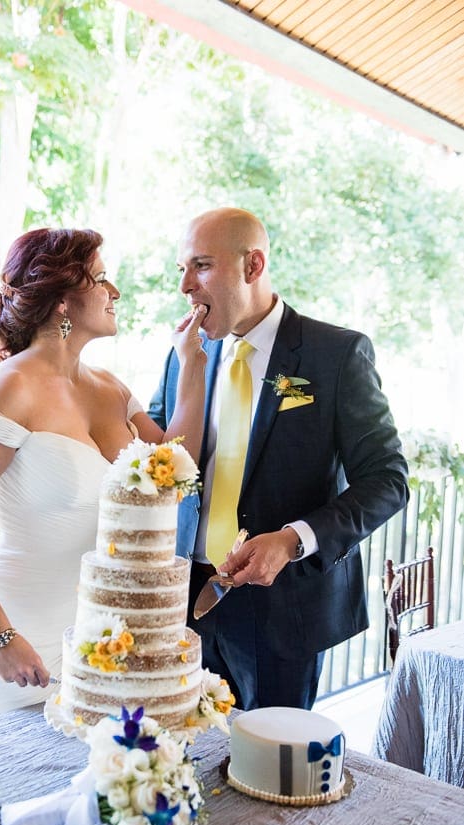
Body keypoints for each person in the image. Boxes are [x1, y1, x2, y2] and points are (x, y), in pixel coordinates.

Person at [0, 227, 206, 723]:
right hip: (9, 623)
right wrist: (1, 637)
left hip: (87, 630)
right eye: (102, 279)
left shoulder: (111, 389)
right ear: (61, 301)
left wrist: (191, 366)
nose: (115, 292)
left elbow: (172, 472)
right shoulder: (9, 389)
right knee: (0, 780)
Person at [148, 207, 408, 711]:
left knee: (270, 772)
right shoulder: (183, 354)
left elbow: (388, 480)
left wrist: (294, 540)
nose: (185, 286)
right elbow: (161, 464)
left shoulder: (336, 355)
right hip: (185, 602)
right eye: (181, 269)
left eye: (201, 265)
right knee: (182, 758)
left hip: (285, 609)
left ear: (253, 265)